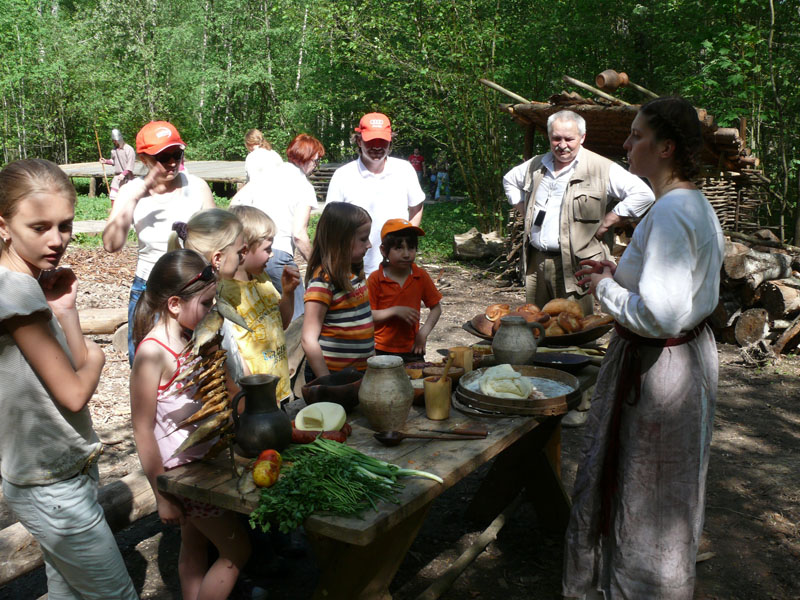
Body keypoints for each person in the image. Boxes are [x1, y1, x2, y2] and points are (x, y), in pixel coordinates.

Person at [562, 97, 725, 599]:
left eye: (636, 135)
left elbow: (661, 315)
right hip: (676, 360)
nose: (627, 143)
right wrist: (618, 273)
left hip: (660, 372)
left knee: (649, 490)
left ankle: (643, 588)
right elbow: (670, 290)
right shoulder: (688, 203)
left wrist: (604, 290)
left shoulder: (674, 211)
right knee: (653, 486)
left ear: (666, 147)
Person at [0, 159, 139, 600]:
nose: (57, 239)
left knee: (68, 593)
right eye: (39, 227)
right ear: (3, 226)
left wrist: (64, 309)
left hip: (62, 470)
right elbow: (76, 392)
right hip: (51, 485)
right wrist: (99, 356)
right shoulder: (14, 292)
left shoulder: (26, 285)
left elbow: (73, 363)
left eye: (65, 225)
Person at [130, 249, 251, 600]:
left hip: (203, 468)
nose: (213, 311)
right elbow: (142, 429)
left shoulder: (191, 337)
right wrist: (162, 495)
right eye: (207, 303)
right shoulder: (153, 353)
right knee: (237, 551)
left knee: (195, 546)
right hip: (185, 477)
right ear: (174, 304)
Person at [502, 110, 655, 315]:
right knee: (536, 322)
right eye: (556, 138)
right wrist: (524, 211)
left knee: (575, 325)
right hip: (536, 262)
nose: (562, 145)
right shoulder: (537, 165)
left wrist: (609, 220)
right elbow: (509, 180)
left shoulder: (601, 168)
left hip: (575, 265)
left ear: (582, 138)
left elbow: (644, 194)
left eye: (569, 139)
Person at [103, 120, 215, 365]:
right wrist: (136, 196)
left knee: (197, 367)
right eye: (163, 157)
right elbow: (111, 244)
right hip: (149, 289)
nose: (172, 162)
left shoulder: (197, 187)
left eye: (177, 154)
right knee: (145, 364)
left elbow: (217, 241)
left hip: (193, 288)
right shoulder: (131, 191)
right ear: (144, 159)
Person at [231, 133, 322, 320]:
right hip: (278, 255)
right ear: (306, 158)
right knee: (299, 317)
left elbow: (235, 205)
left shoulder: (266, 174)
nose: (315, 166)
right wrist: (318, 264)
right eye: (316, 161)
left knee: (259, 315)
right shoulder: (304, 186)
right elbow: (299, 234)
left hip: (250, 255)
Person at [326, 112, 425, 276]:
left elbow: (417, 206)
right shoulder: (343, 175)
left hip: (396, 269)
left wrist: (406, 243)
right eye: (371, 141)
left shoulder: (404, 170)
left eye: (382, 141)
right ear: (359, 141)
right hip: (354, 269)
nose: (377, 147)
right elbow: (330, 224)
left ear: (390, 140)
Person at [225, 205, 300, 403]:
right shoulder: (226, 293)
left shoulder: (262, 279)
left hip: (281, 388)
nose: (272, 255)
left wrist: (288, 293)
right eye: (267, 249)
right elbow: (232, 353)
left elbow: (282, 323)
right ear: (244, 250)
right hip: (256, 397)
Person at [301, 202, 374, 382]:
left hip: (359, 373)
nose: (369, 245)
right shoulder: (323, 283)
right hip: (333, 376)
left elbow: (357, 319)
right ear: (341, 241)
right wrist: (328, 382)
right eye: (363, 239)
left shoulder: (354, 273)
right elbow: (308, 339)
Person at [368, 218, 442, 362]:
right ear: (383, 250)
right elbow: (367, 315)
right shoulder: (375, 279)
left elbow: (436, 308)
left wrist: (423, 334)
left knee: (419, 377)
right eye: (398, 248)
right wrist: (395, 311)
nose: (406, 254)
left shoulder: (420, 276)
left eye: (411, 247)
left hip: (413, 348)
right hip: (380, 349)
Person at [100, 128, 136, 203]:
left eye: (115, 140)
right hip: (117, 177)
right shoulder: (114, 150)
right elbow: (113, 161)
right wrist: (105, 161)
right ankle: (114, 210)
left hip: (127, 177)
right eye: (113, 140)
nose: (114, 142)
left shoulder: (129, 149)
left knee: (127, 198)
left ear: (119, 139)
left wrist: (123, 174)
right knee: (113, 196)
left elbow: (130, 164)